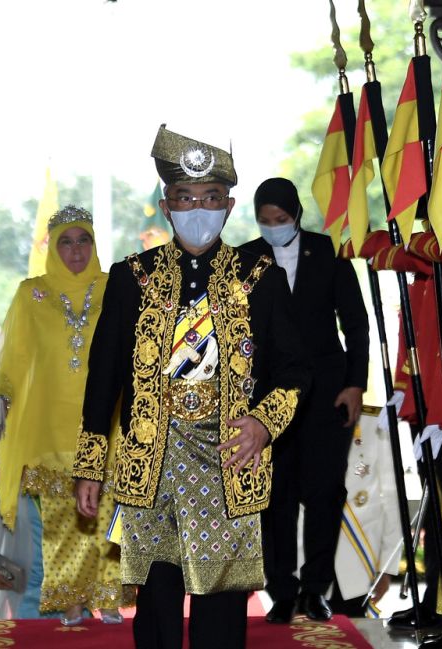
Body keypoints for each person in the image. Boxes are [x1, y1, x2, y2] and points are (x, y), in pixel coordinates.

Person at [73, 127, 308, 649]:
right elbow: (104, 376)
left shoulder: (259, 277)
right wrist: (89, 464)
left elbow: (296, 372)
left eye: (210, 198)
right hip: (152, 459)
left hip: (229, 460)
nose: (197, 209)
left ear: (228, 207)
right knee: (157, 603)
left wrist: (263, 425)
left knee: (221, 610)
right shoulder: (131, 277)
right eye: (185, 198)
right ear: (167, 205)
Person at [0, 205, 128, 624]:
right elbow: (13, 357)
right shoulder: (32, 294)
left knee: (108, 511)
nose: (76, 250)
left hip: (107, 422)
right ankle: (71, 601)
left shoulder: (115, 288)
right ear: (52, 248)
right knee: (63, 516)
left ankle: (109, 597)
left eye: (84, 240)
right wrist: (1, 395)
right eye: (65, 242)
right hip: (50, 425)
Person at [241, 177, 369, 623]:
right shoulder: (244, 259)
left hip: (327, 393)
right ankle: (281, 590)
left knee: (324, 492)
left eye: (281, 218)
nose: (274, 226)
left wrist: (355, 384)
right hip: (269, 398)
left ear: (296, 214)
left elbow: (355, 323)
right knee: (274, 495)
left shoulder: (328, 252)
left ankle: (316, 589)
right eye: (265, 220)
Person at [327, 406, 402, 618]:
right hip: (304, 559)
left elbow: (391, 496)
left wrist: (386, 565)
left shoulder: (373, 418)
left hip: (357, 558)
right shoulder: (299, 408)